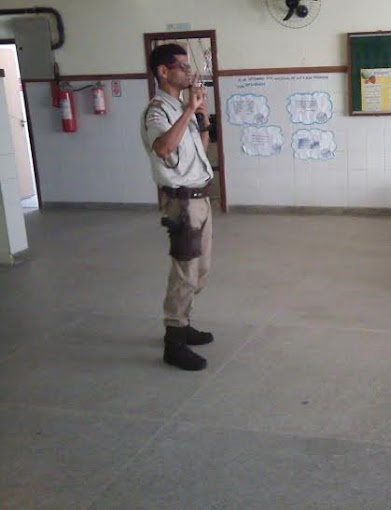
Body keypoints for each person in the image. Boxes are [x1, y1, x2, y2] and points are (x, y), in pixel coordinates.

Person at [140, 44, 215, 371]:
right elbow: (163, 148)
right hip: (183, 203)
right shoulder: (158, 111)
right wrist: (187, 111)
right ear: (163, 72)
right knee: (185, 271)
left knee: (200, 270)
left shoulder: (181, 107)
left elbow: (198, 150)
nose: (189, 72)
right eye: (182, 66)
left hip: (200, 197)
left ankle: (182, 325)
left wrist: (202, 118)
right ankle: (174, 340)